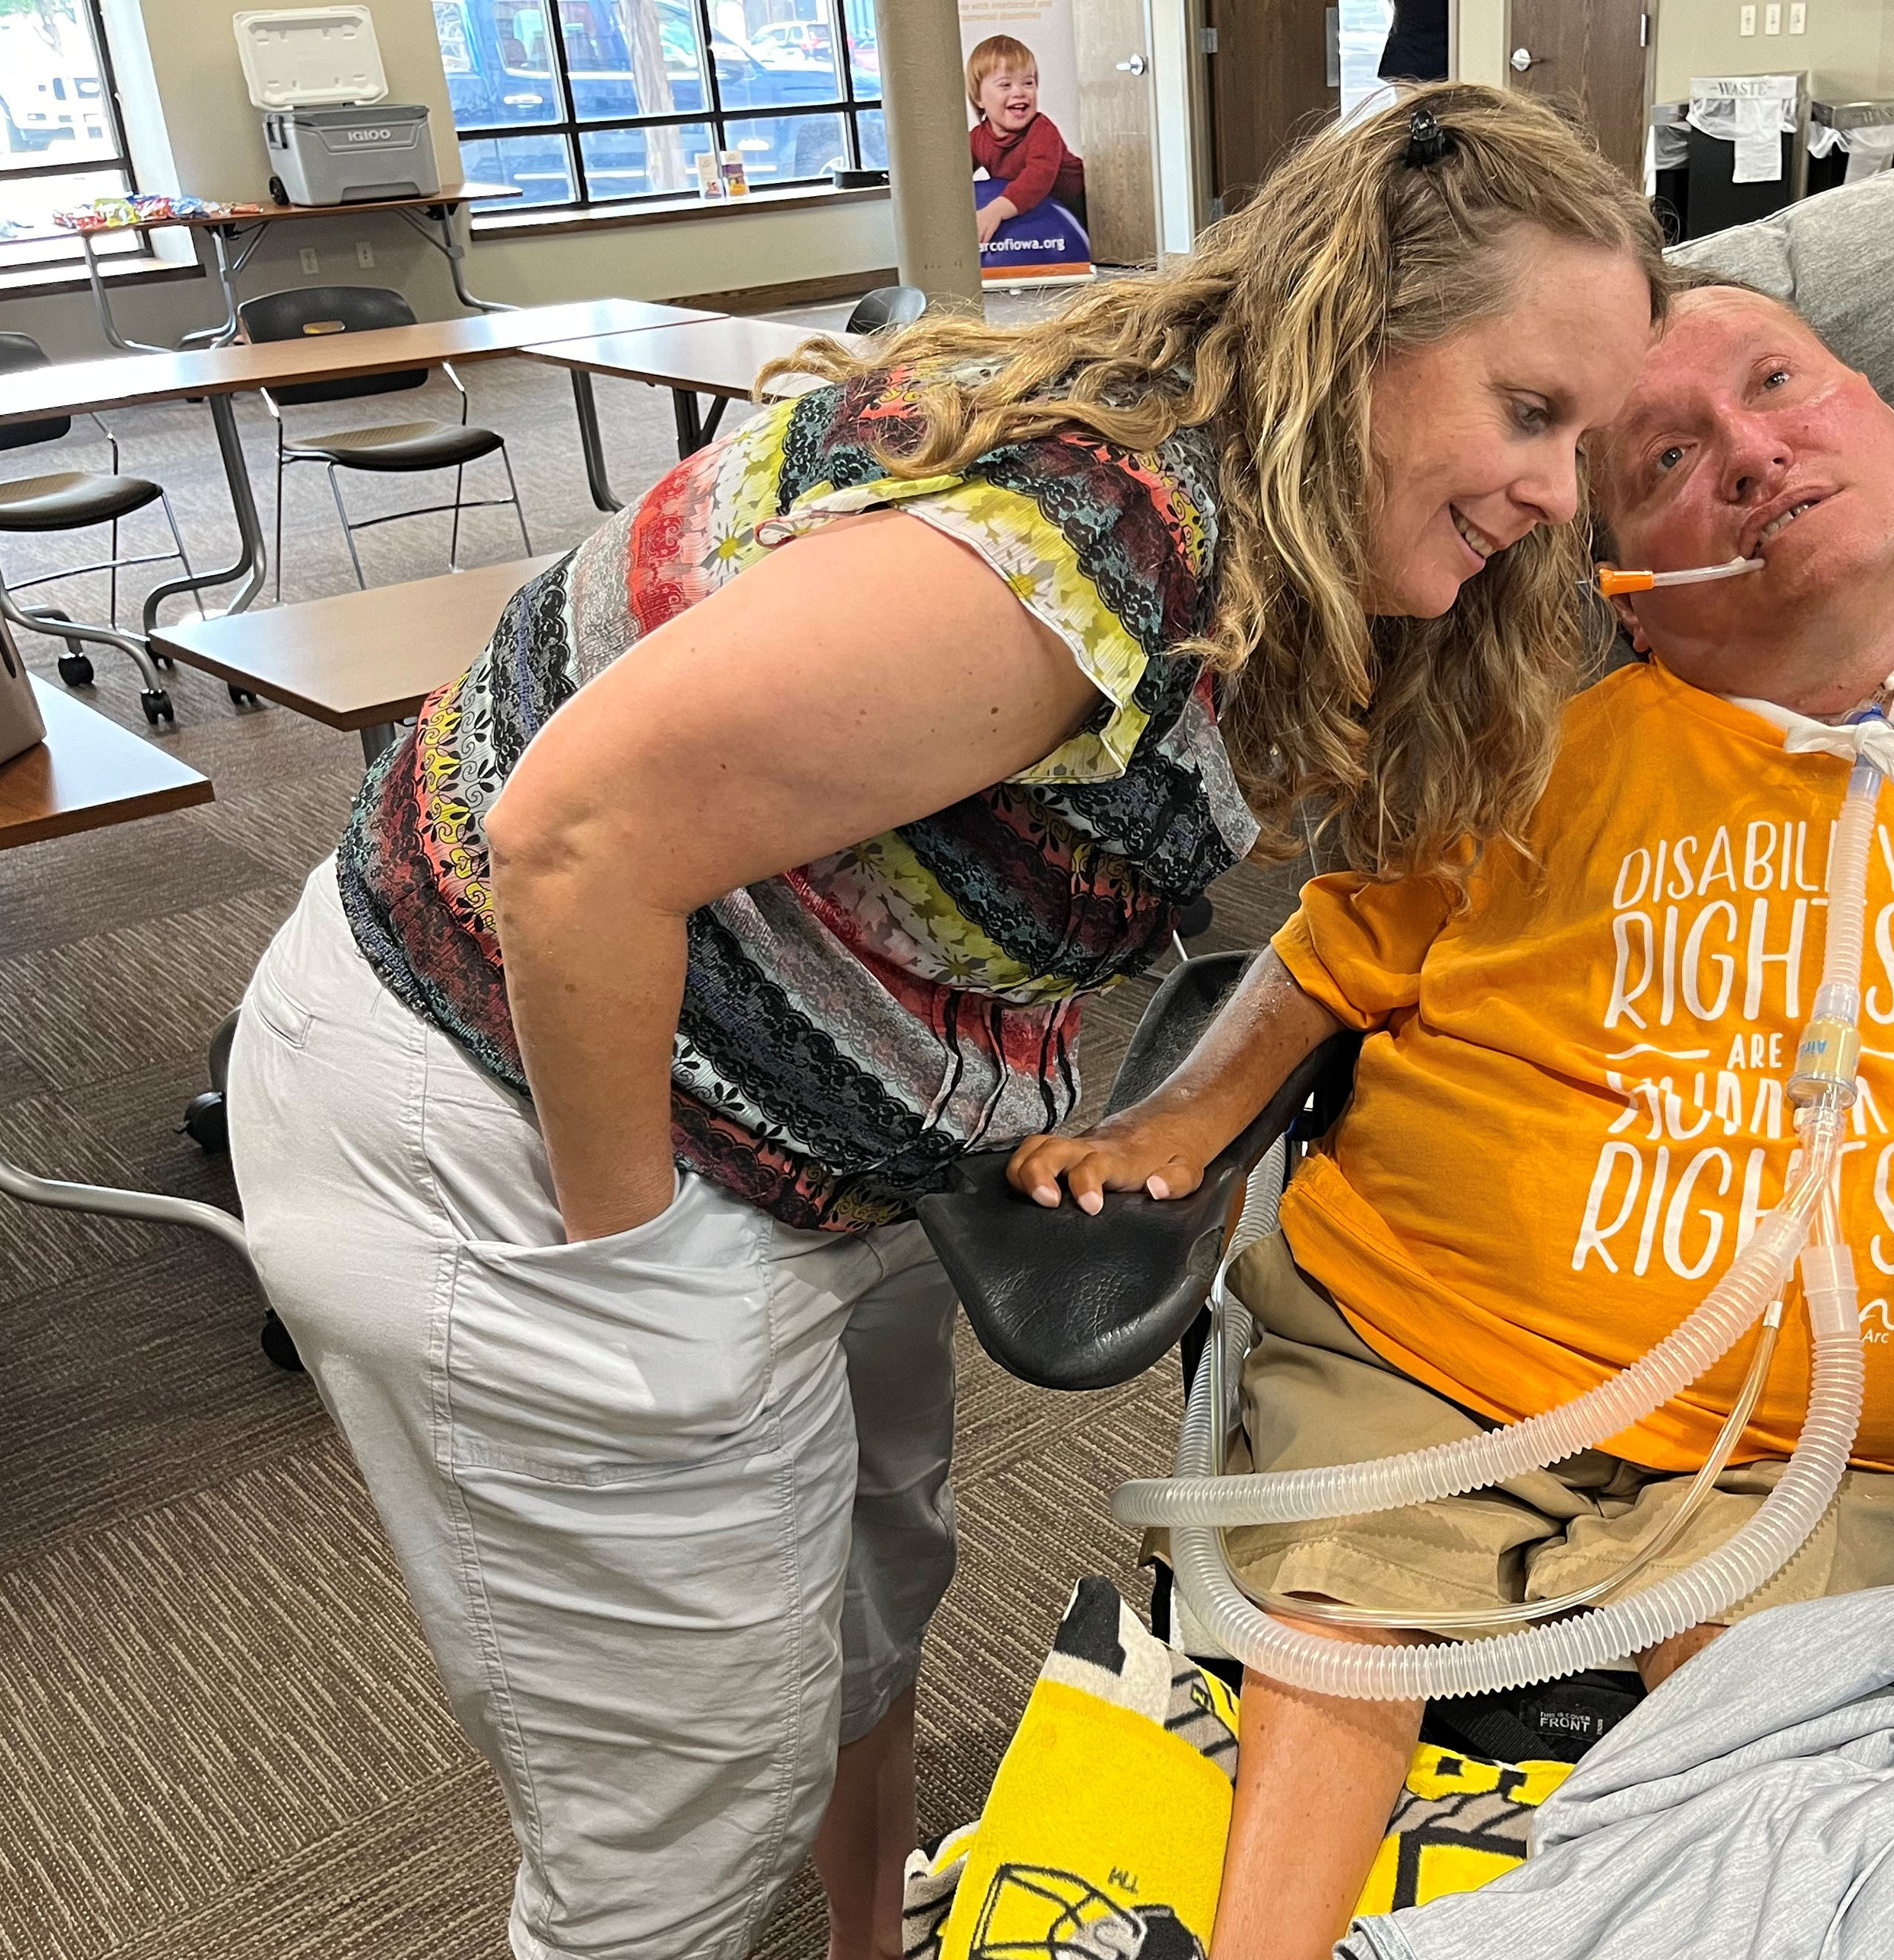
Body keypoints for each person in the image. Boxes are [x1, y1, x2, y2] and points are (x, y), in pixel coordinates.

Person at [227, 85, 1663, 1960]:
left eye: (1592, 432)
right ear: (1353, 338)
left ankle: (865, 1940)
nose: (1556, 488)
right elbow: (570, 841)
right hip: (516, 1115)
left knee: (862, 1598)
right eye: (1526, 411)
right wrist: (626, 1272)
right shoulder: (1088, 545)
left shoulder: (1280, 520)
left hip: (821, 1129)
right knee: (676, 1809)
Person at [1007, 277, 1894, 1960]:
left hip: (1849, 1448)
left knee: (1793, 1789)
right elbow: (1321, 956)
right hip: (1437, 1361)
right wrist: (1183, 1115)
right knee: (1338, 1623)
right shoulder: (1526, 750)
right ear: (1626, 586)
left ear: (1892, 420)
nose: (1750, 451)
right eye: (1666, 455)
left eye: (1782, 384)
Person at [968, 33, 1086, 243]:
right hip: (1037, 215)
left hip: (1078, 208)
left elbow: (1036, 179)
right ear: (978, 97)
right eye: (1006, 85)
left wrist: (995, 210)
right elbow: (951, 178)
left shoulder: (1042, 131)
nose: (1020, 92)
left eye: (1028, 83)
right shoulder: (978, 138)